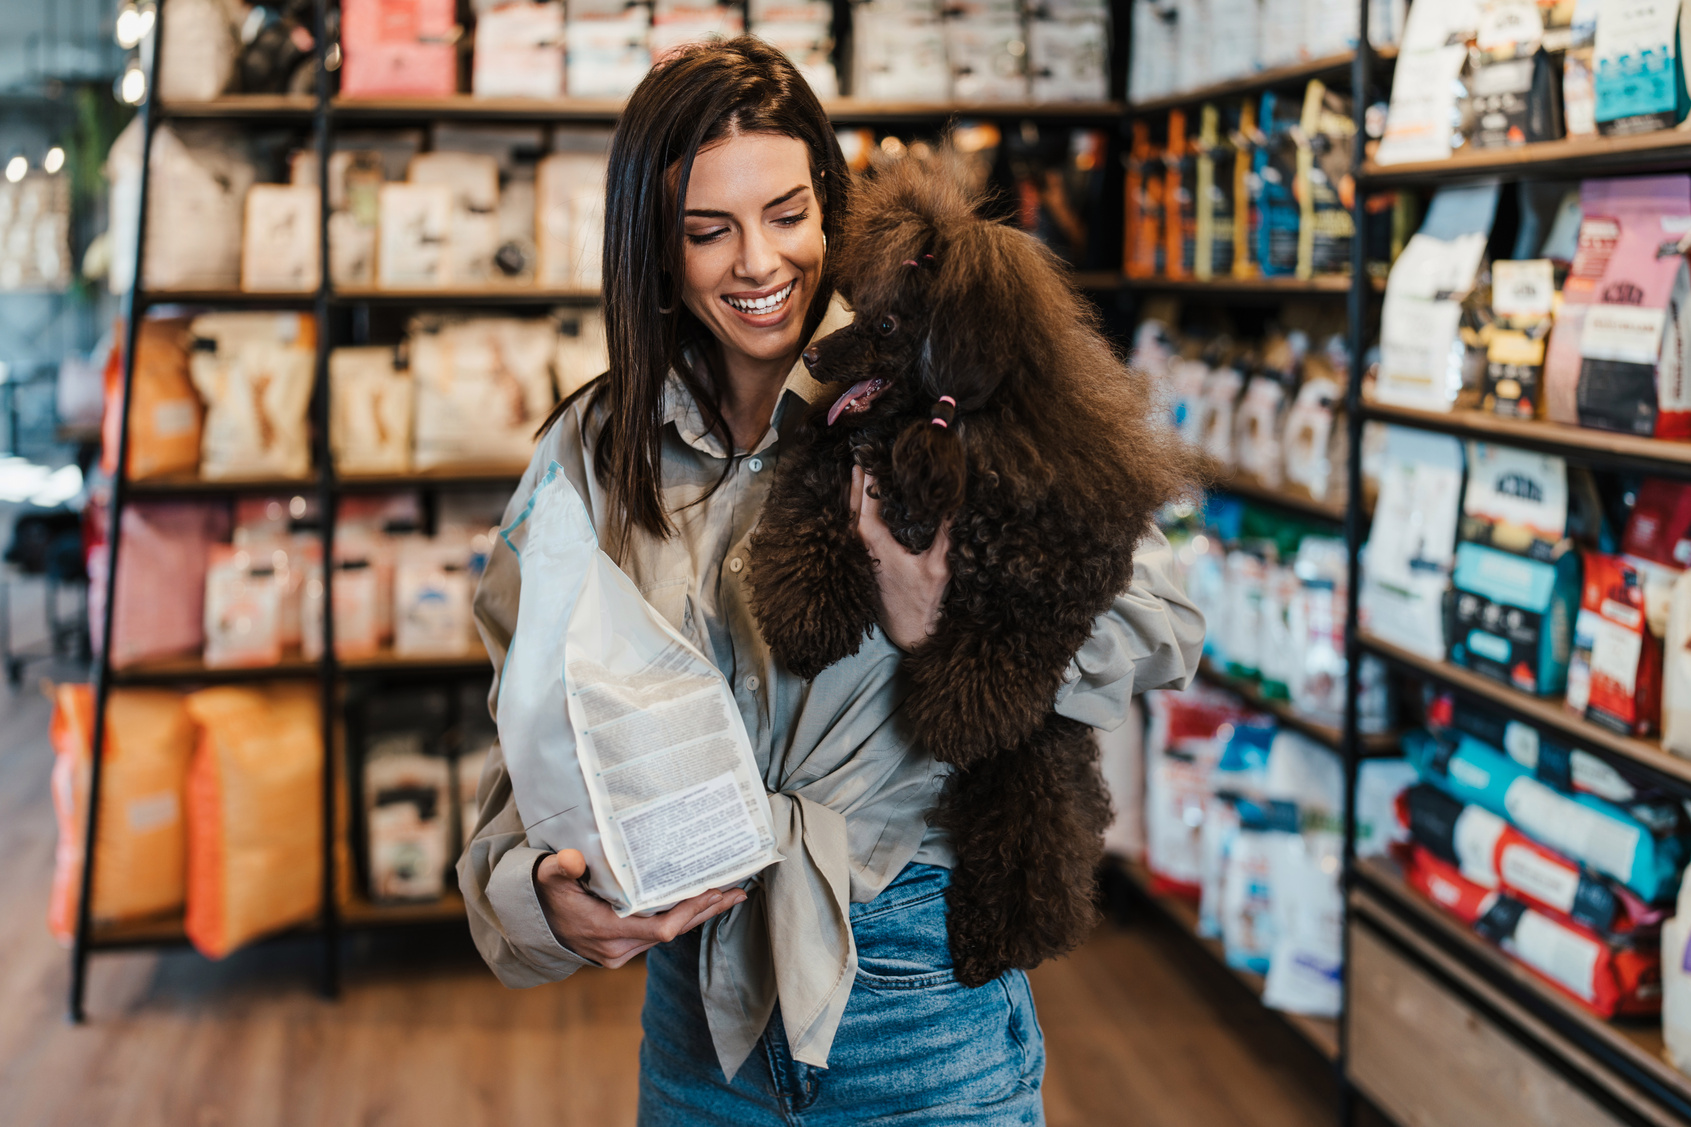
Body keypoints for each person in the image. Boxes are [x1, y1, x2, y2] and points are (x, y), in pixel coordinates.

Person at [458, 37, 1204, 1126]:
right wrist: (538, 896)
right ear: (653, 248)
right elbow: (528, 725)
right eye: (707, 231)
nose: (757, 262)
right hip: (699, 1025)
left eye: (787, 214)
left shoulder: (951, 388)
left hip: (919, 1005)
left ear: (831, 206)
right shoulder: (595, 454)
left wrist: (940, 618)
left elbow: (1163, 619)